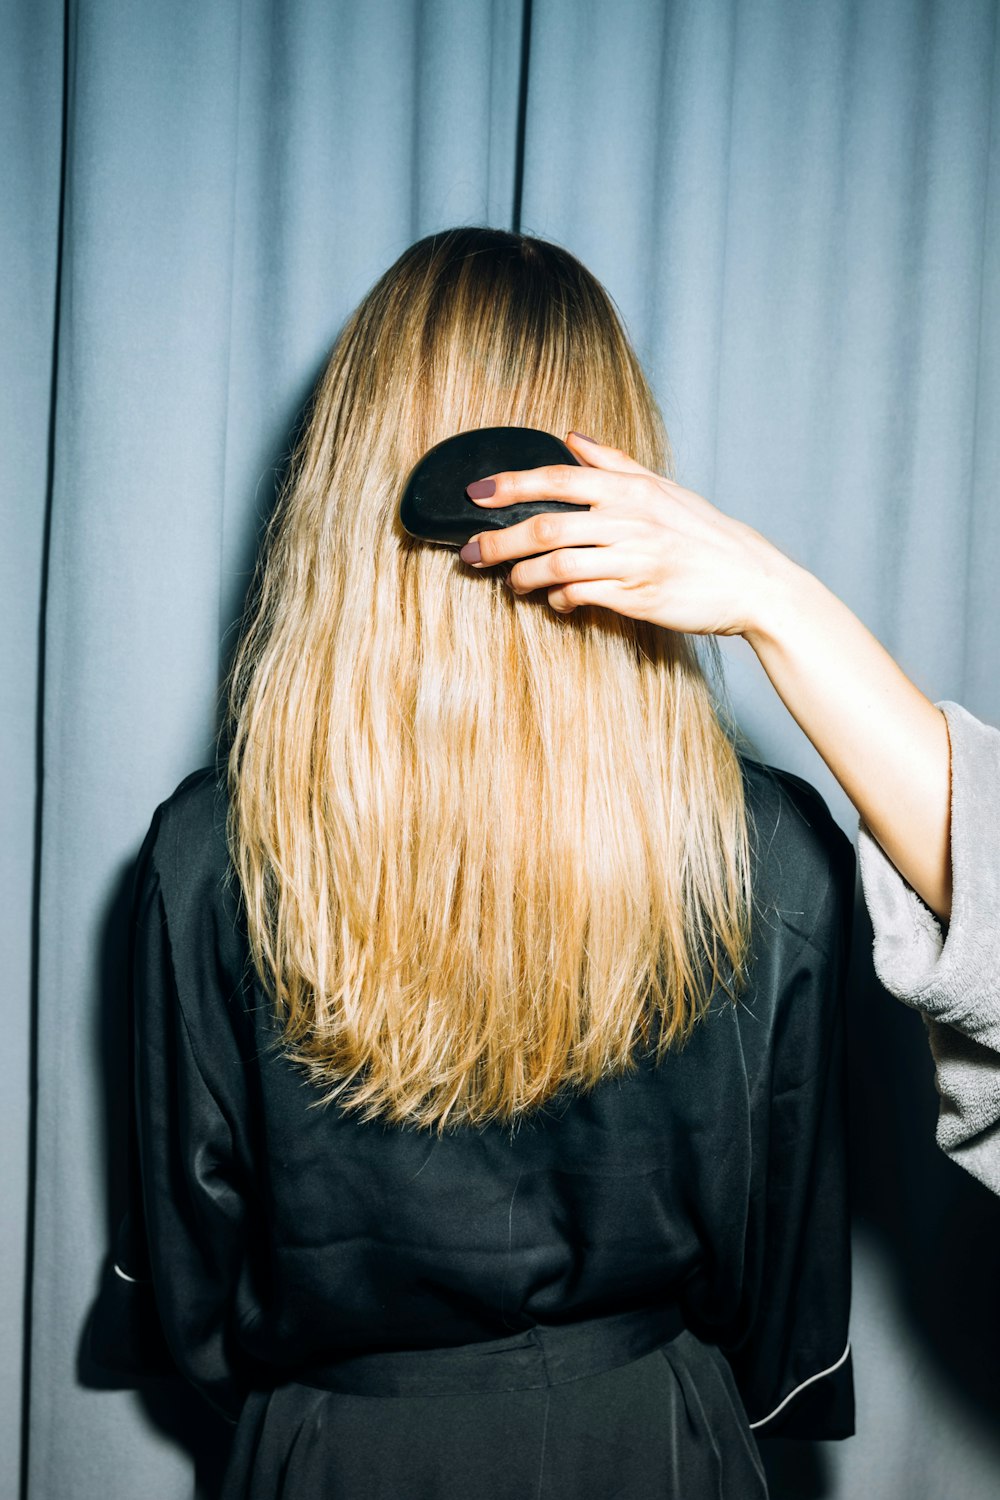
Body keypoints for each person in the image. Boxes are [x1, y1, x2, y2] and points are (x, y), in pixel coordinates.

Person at [107, 229, 856, 1498]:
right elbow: (782, 1280)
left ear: (340, 478)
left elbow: (195, 1287)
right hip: (652, 1447)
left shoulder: (211, 852)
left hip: (338, 1452)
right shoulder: (769, 853)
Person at [461, 435, 1000, 1194]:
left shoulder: (230, 855)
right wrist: (775, 598)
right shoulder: (778, 852)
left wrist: (775, 599)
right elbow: (790, 1258)